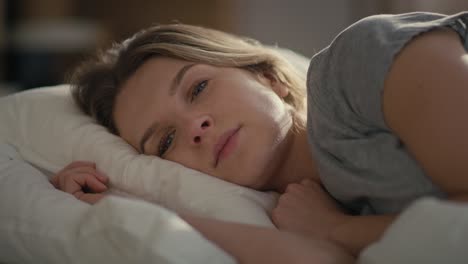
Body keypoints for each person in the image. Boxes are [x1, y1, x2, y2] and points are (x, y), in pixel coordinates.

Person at [50, 11, 468, 263]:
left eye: (197, 88)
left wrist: (337, 229)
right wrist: (114, 205)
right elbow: (320, 259)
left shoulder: (352, 65)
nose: (196, 128)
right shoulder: (293, 214)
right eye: (165, 141)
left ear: (268, 77)